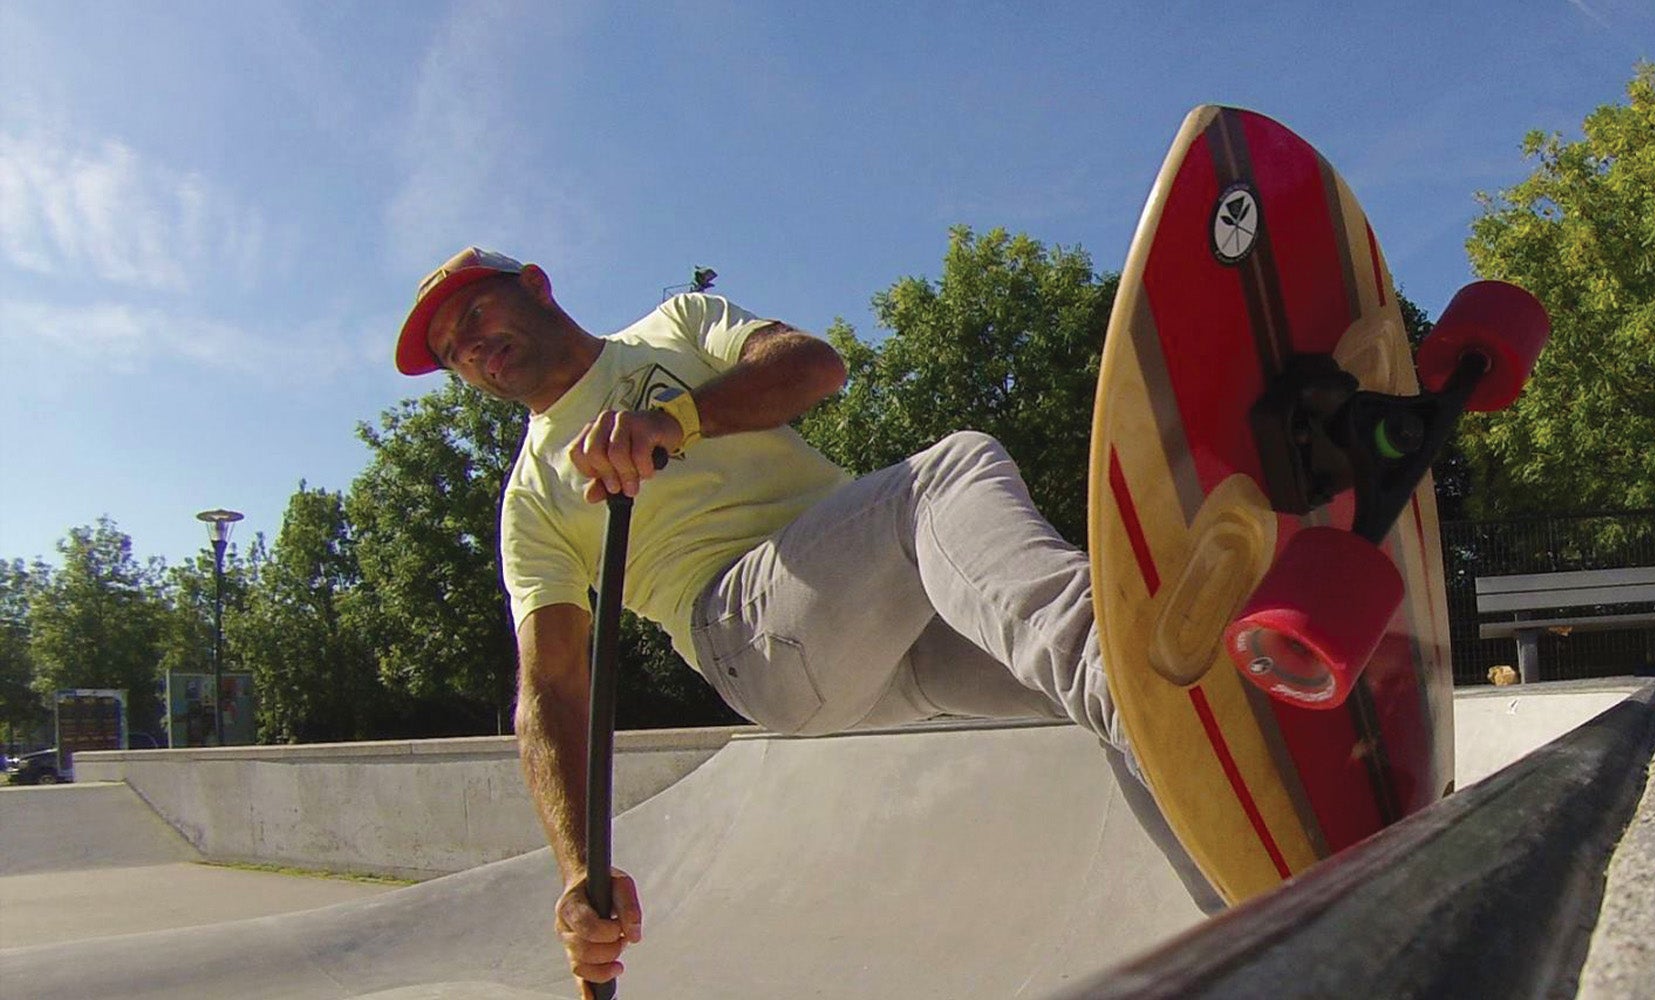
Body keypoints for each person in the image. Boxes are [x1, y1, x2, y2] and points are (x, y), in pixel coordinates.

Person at [393, 247, 1216, 991]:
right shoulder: (533, 500)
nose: (468, 347)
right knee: (949, 471)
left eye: (474, 316)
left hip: (886, 612)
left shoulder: (676, 326)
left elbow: (814, 367)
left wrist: (673, 420)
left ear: (535, 287)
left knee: (1088, 696)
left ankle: (1250, 905)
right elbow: (552, 688)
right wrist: (578, 871)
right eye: (450, 351)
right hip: (748, 634)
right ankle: (1155, 678)